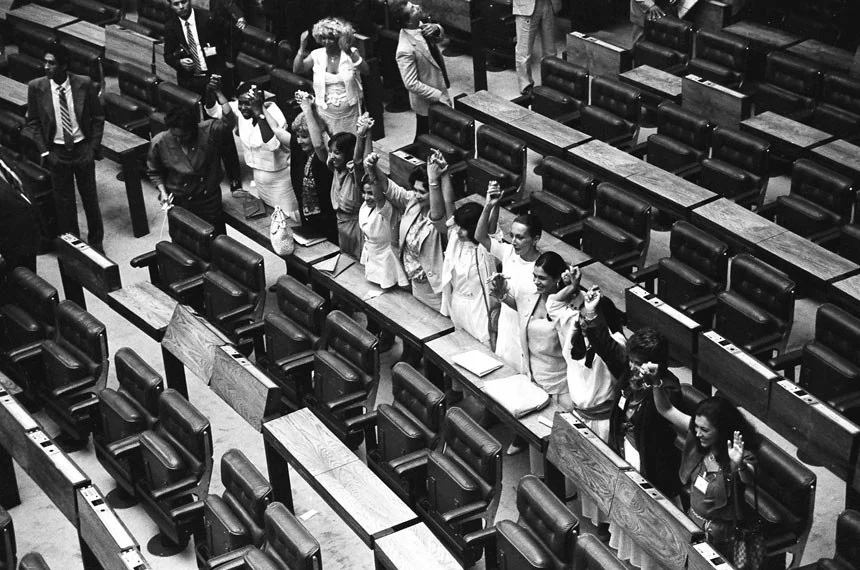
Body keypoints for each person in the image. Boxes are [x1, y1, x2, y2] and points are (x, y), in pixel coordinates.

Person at [548, 279, 626, 533]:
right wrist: (574, 288)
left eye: (589, 317)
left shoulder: (616, 343)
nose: (581, 320)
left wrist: (591, 315)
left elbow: (604, 343)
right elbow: (554, 304)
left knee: (603, 477)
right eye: (582, 316)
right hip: (580, 417)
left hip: (602, 420)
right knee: (585, 475)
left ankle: (605, 527)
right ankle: (592, 519)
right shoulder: (575, 333)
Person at [654, 394, 759, 559]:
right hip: (693, 522)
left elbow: (749, 478)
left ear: (722, 430)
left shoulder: (738, 455)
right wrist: (656, 383)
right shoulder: (700, 442)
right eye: (696, 427)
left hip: (720, 537)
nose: (697, 433)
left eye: (705, 430)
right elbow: (666, 409)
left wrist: (740, 465)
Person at [26, 43, 105, 252]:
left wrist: (93, 148)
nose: (45, 67)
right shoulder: (36, 87)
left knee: (90, 198)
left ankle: (96, 243)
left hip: (82, 149)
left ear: (64, 66)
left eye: (51, 63)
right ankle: (75, 246)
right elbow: (33, 122)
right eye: (45, 62)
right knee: (64, 203)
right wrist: (45, 151)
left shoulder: (84, 84)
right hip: (56, 152)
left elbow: (98, 117)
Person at [164, 0, 243, 193]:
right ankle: (209, 172)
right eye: (176, 4)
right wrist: (179, 62)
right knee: (196, 129)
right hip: (190, 82)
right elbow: (167, 55)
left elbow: (235, 33)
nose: (181, 6)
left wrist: (230, 61)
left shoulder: (208, 18)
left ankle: (234, 177)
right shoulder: (171, 26)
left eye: (184, 1)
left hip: (213, 79)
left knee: (219, 125)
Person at [147, 76, 236, 235]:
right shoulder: (160, 141)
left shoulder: (207, 131)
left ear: (193, 129)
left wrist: (219, 94)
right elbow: (155, 171)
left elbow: (229, 122)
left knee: (214, 240)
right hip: (180, 201)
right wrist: (163, 191)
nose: (179, 140)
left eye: (183, 136)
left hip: (207, 200)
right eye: (175, 136)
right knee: (184, 242)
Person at [363, 151, 446, 312]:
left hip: (435, 289)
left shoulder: (443, 216)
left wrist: (434, 180)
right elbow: (389, 187)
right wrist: (373, 168)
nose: (417, 195)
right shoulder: (413, 202)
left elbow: (436, 215)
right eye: (415, 190)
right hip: (415, 282)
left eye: (422, 192)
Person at [489, 250, 572, 409]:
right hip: (532, 378)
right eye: (534, 276)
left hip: (560, 385)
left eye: (542, 278)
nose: (536, 281)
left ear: (556, 279)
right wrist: (502, 295)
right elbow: (521, 309)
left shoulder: (568, 307)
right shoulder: (528, 294)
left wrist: (572, 287)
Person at [208, 83, 299, 219]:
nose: (243, 108)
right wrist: (215, 92)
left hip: (281, 182)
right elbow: (214, 111)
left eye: (248, 104)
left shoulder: (275, 114)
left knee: (287, 219)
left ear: (259, 103)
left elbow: (272, 145)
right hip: (259, 179)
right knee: (268, 218)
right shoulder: (242, 110)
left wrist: (259, 114)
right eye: (241, 103)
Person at [300, 93, 366, 258]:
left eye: (337, 153)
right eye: (332, 152)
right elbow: (318, 143)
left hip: (359, 228)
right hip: (341, 225)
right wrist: (309, 110)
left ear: (347, 153)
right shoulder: (335, 169)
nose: (332, 156)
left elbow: (358, 160)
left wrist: (362, 134)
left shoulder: (356, 174)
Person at [438, 162, 497, 347]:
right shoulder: (456, 240)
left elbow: (491, 229)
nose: (459, 232)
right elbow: (448, 204)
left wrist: (490, 205)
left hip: (478, 307)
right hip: (457, 303)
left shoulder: (484, 250)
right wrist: (445, 173)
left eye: (464, 228)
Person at [293, 17, 369, 136]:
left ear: (339, 38)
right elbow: (297, 69)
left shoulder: (351, 52)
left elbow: (366, 71)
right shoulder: (316, 55)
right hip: (325, 113)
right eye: (323, 38)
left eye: (331, 38)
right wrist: (302, 48)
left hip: (350, 113)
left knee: (352, 143)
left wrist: (350, 53)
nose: (327, 42)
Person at [391, 0, 450, 139]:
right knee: (427, 135)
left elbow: (438, 40)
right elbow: (410, 83)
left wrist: (437, 28)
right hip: (428, 98)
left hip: (438, 84)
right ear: (408, 22)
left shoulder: (419, 25)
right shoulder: (405, 50)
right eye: (413, 9)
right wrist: (438, 95)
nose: (417, 6)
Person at [359, 153, 409, 289]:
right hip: (371, 256)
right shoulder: (365, 207)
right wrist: (368, 164)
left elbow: (379, 197)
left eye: (370, 193)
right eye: (364, 193)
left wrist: (372, 170)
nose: (366, 197)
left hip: (387, 261)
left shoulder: (387, 210)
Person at [289, 107, 337, 243]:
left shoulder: (324, 156)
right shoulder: (300, 152)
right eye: (298, 136)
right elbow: (276, 130)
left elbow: (319, 145)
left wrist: (309, 110)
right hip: (307, 214)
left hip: (327, 216)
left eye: (304, 136)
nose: (299, 141)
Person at [513, 0, 561, 94]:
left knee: (550, 49)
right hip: (526, 5)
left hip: (548, 4)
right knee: (524, 50)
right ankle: (526, 86)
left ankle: (551, 81)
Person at [0, 157, 39, 272]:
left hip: (28, 237)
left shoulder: (3, 156)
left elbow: (20, 186)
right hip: (8, 247)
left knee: (30, 280)